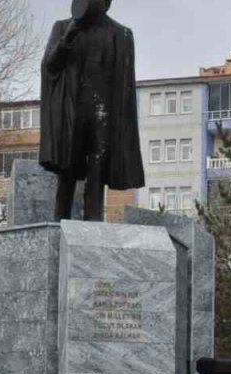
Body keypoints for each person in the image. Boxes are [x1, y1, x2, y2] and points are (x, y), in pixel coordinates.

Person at [39, 0, 145, 221]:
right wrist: (68, 37)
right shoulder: (63, 27)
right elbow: (49, 66)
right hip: (72, 112)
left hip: (104, 116)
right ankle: (59, 225)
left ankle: (93, 227)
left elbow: (124, 86)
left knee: (97, 176)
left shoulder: (121, 34)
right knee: (66, 174)